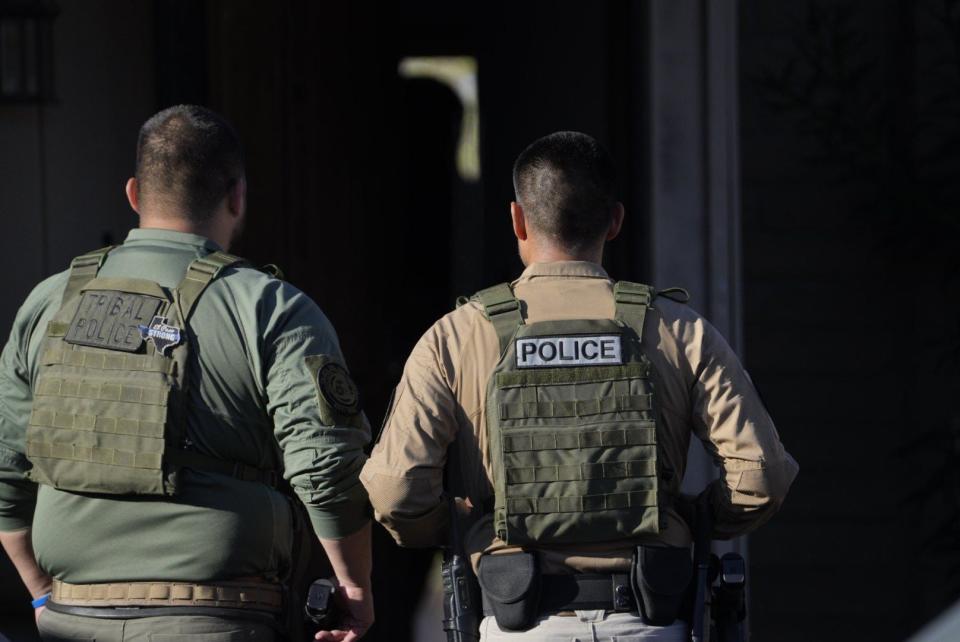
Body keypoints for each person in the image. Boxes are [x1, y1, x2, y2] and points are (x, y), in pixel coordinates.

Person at [360, 131, 799, 640]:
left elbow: (394, 491)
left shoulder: (458, 335)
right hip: (651, 620)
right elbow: (762, 476)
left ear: (517, 220)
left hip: (517, 618)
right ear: (615, 221)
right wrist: (691, 517)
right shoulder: (678, 330)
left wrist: (469, 526)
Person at [0, 105, 373, 642]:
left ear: (133, 194)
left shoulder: (50, 301)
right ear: (238, 196)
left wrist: (41, 591)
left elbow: (8, 469)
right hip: (219, 616)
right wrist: (353, 588)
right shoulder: (270, 308)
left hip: (71, 618)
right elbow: (326, 467)